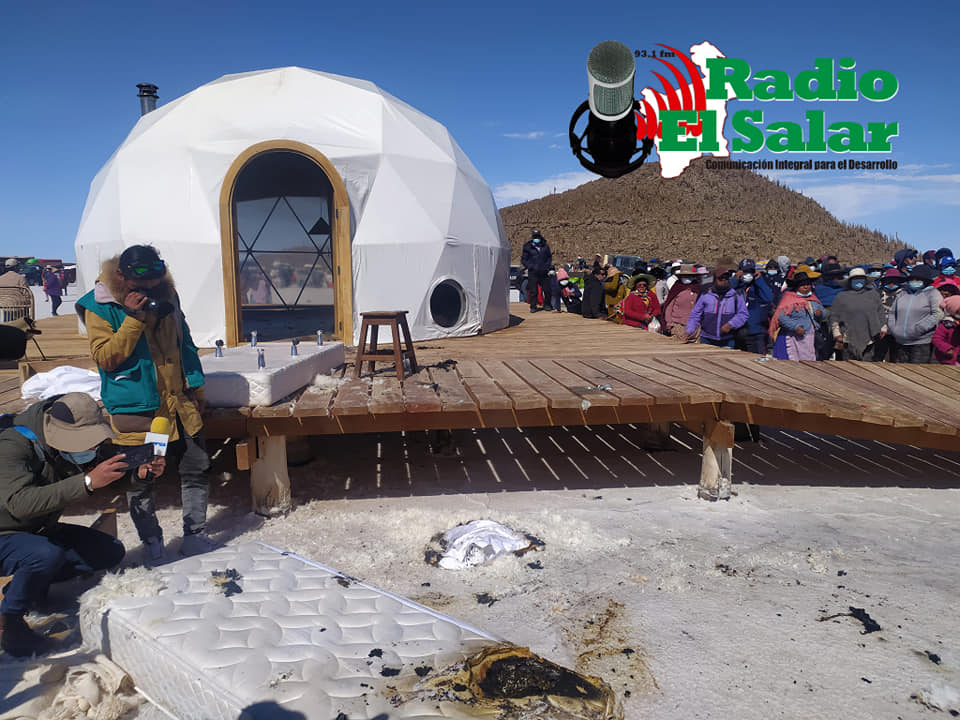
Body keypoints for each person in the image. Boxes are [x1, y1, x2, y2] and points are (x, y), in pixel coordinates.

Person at [76, 245, 216, 564]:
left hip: (179, 405)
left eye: (155, 282)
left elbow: (186, 343)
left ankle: (195, 536)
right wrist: (134, 319)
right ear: (122, 277)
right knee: (142, 480)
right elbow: (105, 358)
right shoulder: (99, 305)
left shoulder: (168, 293)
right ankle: (152, 542)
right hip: (141, 411)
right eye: (142, 286)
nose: (150, 289)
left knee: (196, 468)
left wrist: (196, 385)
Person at [0, 393, 151, 656]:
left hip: (37, 529)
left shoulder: (73, 449)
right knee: (44, 555)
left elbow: (105, 474)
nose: (90, 449)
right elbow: (20, 504)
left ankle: (28, 585)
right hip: (7, 531)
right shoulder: (12, 445)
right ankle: (8, 624)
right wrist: (87, 482)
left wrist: (136, 476)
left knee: (108, 551)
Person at [887, 263, 940, 364]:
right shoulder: (903, 293)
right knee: (900, 373)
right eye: (913, 279)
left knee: (917, 374)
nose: (914, 281)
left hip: (921, 343)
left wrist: (920, 328)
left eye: (918, 279)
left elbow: (937, 314)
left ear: (925, 281)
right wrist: (893, 328)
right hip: (900, 342)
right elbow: (892, 313)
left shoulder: (932, 293)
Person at [685, 264, 748, 348]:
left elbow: (743, 314)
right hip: (706, 338)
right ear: (715, 280)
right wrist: (689, 331)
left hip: (728, 340)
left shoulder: (736, 296)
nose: (724, 281)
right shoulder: (705, 295)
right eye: (721, 279)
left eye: (726, 279)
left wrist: (731, 324)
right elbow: (695, 314)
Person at [829, 268, 885, 361]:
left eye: (861, 278)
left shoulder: (873, 295)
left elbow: (880, 312)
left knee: (867, 366)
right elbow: (834, 317)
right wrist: (837, 333)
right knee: (850, 367)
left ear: (865, 280)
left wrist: (883, 327)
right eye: (856, 279)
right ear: (850, 281)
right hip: (848, 338)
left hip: (870, 338)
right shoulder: (841, 297)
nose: (858, 281)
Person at [769, 272, 825, 361]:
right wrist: (795, 327)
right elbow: (781, 317)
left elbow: (823, 312)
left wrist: (820, 313)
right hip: (792, 337)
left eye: (808, 284)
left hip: (809, 337)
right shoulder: (788, 299)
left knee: (809, 361)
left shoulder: (813, 299)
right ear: (796, 287)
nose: (806, 287)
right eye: (802, 285)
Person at [731, 259, 775, 355]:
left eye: (750, 272)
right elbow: (724, 294)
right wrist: (735, 280)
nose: (748, 274)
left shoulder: (757, 287)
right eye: (745, 271)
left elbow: (769, 298)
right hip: (737, 331)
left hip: (755, 332)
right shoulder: (736, 287)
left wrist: (759, 279)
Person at [660, 264, 702, 341]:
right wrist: (669, 325)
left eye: (689, 276)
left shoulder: (698, 288)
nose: (687, 278)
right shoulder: (676, 288)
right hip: (678, 326)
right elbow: (669, 307)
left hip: (696, 329)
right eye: (684, 276)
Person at [521, 230, 552, 313]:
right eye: (535, 237)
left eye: (537, 237)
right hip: (533, 272)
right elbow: (524, 259)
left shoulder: (545, 246)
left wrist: (547, 266)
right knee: (533, 291)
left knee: (547, 290)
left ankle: (547, 305)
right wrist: (530, 266)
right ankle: (533, 306)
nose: (536, 239)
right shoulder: (527, 247)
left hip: (544, 272)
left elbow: (549, 257)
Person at [932, 296, 960, 365]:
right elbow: (936, 338)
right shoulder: (946, 324)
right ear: (954, 311)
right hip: (947, 360)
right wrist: (947, 349)